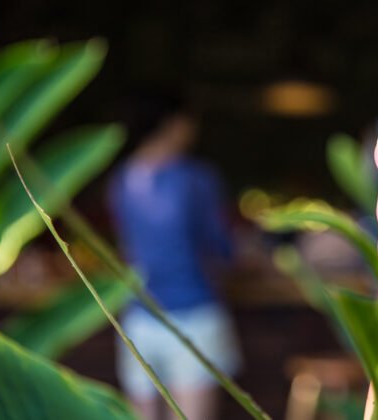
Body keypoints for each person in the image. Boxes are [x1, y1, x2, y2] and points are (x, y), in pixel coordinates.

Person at [108, 92, 240, 420]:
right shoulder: (195, 179)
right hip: (194, 314)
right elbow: (222, 248)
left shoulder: (122, 179)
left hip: (139, 317)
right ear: (174, 124)